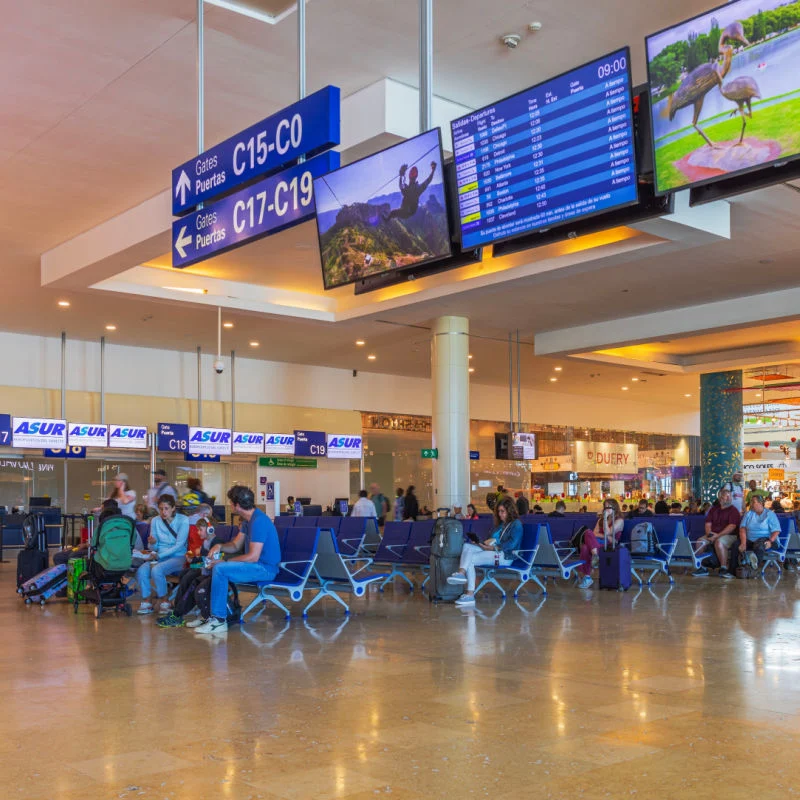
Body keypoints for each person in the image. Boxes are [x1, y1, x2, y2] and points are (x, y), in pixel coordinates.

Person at [194, 485, 281, 635]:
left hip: (265, 569)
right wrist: (220, 547)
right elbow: (235, 545)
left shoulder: (259, 521)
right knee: (218, 568)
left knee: (220, 569)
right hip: (256, 566)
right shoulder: (248, 521)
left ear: (237, 505)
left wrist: (225, 562)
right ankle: (212, 616)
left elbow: (253, 557)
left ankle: (219, 620)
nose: (229, 505)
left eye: (231, 502)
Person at [446, 497, 522, 606]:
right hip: (493, 551)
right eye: (499, 511)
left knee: (470, 559)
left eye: (502, 511)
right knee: (467, 546)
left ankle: (470, 594)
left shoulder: (516, 524)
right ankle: (461, 573)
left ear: (510, 511)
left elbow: (512, 544)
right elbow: (491, 540)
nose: (500, 514)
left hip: (504, 556)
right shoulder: (500, 525)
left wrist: (493, 548)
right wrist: (480, 544)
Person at [157, 518, 223, 628]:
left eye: (200, 530)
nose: (198, 532)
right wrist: (193, 560)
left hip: (211, 573)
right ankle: (177, 610)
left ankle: (177, 614)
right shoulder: (206, 541)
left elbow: (211, 559)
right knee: (184, 574)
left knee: (190, 578)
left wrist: (199, 556)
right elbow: (203, 558)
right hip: (206, 570)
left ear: (210, 529)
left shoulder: (217, 542)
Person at [135, 494, 189, 615]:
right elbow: (153, 547)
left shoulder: (183, 520)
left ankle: (165, 601)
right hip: (159, 556)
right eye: (161, 509)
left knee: (157, 570)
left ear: (173, 508)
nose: (163, 512)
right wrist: (152, 543)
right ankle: (147, 601)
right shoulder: (155, 520)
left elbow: (179, 545)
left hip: (178, 556)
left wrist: (159, 555)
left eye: (166, 508)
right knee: (142, 570)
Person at [691, 488, 741, 578]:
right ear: (720, 498)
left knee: (719, 542)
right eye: (727, 496)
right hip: (713, 534)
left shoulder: (733, 510)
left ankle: (724, 568)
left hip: (730, 535)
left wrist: (717, 536)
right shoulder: (713, 509)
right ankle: (702, 567)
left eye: (730, 496)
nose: (730, 498)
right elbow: (708, 524)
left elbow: (732, 527)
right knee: (700, 542)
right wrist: (709, 535)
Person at [576, 498, 624, 589]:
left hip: (609, 546)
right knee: (588, 533)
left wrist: (605, 522)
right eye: (605, 507)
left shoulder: (619, 521)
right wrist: (608, 537)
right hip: (597, 543)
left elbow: (608, 532)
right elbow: (594, 534)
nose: (606, 509)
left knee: (586, 547)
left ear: (615, 508)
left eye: (608, 507)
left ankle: (588, 576)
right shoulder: (600, 520)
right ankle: (595, 557)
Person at [88, 503, 138, 582]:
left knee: (92, 559)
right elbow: (132, 544)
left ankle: (90, 584)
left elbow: (93, 545)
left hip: (104, 566)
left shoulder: (101, 527)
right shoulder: (127, 526)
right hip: (125, 565)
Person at [739, 494, 781, 568]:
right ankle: (732, 570)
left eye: (753, 502)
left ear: (761, 503)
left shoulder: (769, 514)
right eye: (751, 502)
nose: (751, 504)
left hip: (765, 539)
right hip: (750, 540)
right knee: (736, 545)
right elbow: (742, 529)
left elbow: (776, 530)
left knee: (759, 546)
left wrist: (770, 541)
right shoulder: (748, 514)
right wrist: (743, 543)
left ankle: (753, 568)